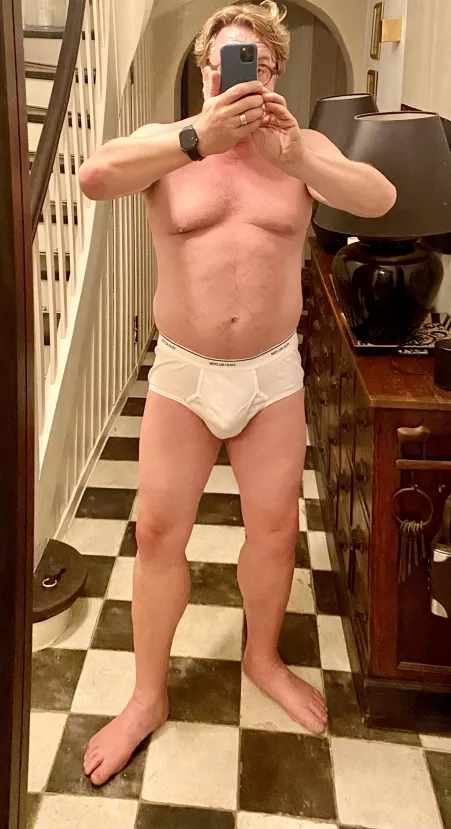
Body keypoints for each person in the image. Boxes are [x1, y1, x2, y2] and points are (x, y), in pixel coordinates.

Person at [79, 0, 396, 786]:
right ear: (203, 70)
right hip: (184, 373)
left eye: (255, 61)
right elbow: (93, 177)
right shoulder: (168, 144)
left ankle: (262, 656)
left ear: (274, 73)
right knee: (158, 533)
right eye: (224, 60)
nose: (238, 74)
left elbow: (378, 198)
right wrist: (197, 137)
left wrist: (298, 159)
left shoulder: (300, 148)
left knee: (275, 531)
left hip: (270, 376)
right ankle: (146, 694)